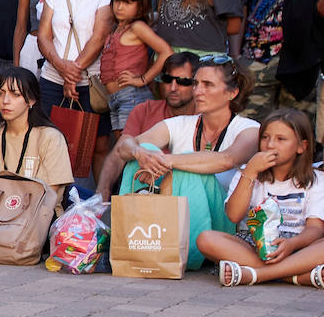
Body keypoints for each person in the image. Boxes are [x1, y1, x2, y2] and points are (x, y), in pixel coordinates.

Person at [100, 56, 258, 270]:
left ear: (232, 92)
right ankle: (134, 241)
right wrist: (139, 153)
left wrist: (167, 161)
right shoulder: (180, 124)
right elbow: (123, 146)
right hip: (181, 221)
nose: (197, 91)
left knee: (184, 166)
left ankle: (187, 254)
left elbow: (225, 160)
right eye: (196, 84)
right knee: (146, 152)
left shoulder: (249, 129)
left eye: (207, 85)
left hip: (224, 226)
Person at [201, 109, 324, 287]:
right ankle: (295, 275)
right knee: (206, 239)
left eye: (281, 139)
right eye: (265, 137)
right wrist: (250, 172)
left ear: (301, 146)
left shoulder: (317, 180)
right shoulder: (247, 171)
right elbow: (234, 216)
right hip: (253, 246)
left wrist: (291, 244)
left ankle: (254, 275)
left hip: (298, 246)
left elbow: (315, 229)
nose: (270, 144)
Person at [35, 0, 114, 176]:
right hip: (52, 78)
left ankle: (100, 203)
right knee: (49, 141)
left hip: (90, 81)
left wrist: (74, 72)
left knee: (98, 143)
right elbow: (44, 32)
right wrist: (63, 68)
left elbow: (99, 37)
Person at [0, 67, 73, 233]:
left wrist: (6, 218)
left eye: (15, 94)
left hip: (36, 220)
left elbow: (49, 197)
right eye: (0, 93)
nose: (5, 100)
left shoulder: (51, 137)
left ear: (32, 100)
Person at [100, 0, 172, 144]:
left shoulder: (137, 27)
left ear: (140, 8)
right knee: (121, 149)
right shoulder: (116, 29)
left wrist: (143, 79)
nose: (119, 7)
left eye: (127, 2)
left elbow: (166, 51)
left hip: (132, 96)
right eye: (117, 1)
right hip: (115, 98)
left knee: (131, 147)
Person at [123, 50, 202, 138]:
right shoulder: (144, 111)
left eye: (182, 81)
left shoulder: (206, 119)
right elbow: (122, 147)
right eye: (167, 79)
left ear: (196, 84)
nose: (173, 88)